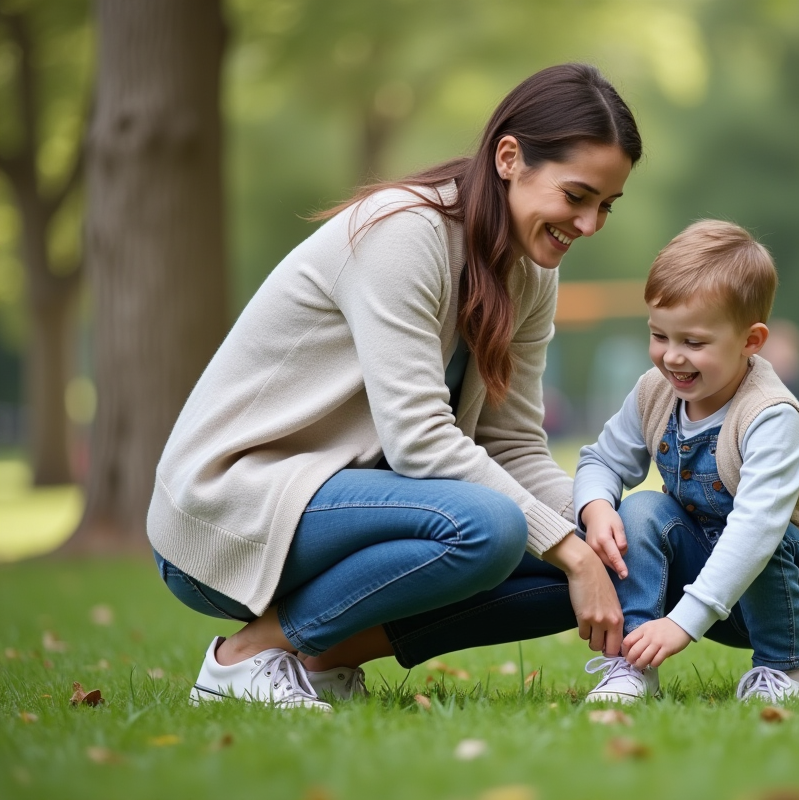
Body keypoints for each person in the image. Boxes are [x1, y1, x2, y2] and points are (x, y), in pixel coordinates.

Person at [147, 64, 640, 710]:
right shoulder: (404, 233)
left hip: (346, 512)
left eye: (605, 205)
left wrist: (590, 522)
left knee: (587, 554)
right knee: (492, 527)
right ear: (510, 157)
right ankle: (242, 659)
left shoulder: (530, 273)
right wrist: (568, 548)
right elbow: (419, 442)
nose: (590, 224)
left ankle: (318, 661)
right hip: (229, 510)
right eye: (577, 196)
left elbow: (515, 446)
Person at [572, 220, 799, 704]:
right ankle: (632, 665)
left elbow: (755, 528)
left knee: (768, 536)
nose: (672, 357)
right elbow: (602, 458)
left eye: (694, 342)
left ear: (751, 341)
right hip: (703, 574)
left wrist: (684, 622)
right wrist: (595, 506)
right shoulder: (654, 391)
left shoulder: (770, 415)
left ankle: (782, 669)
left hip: (789, 587)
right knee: (637, 512)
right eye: (659, 335)